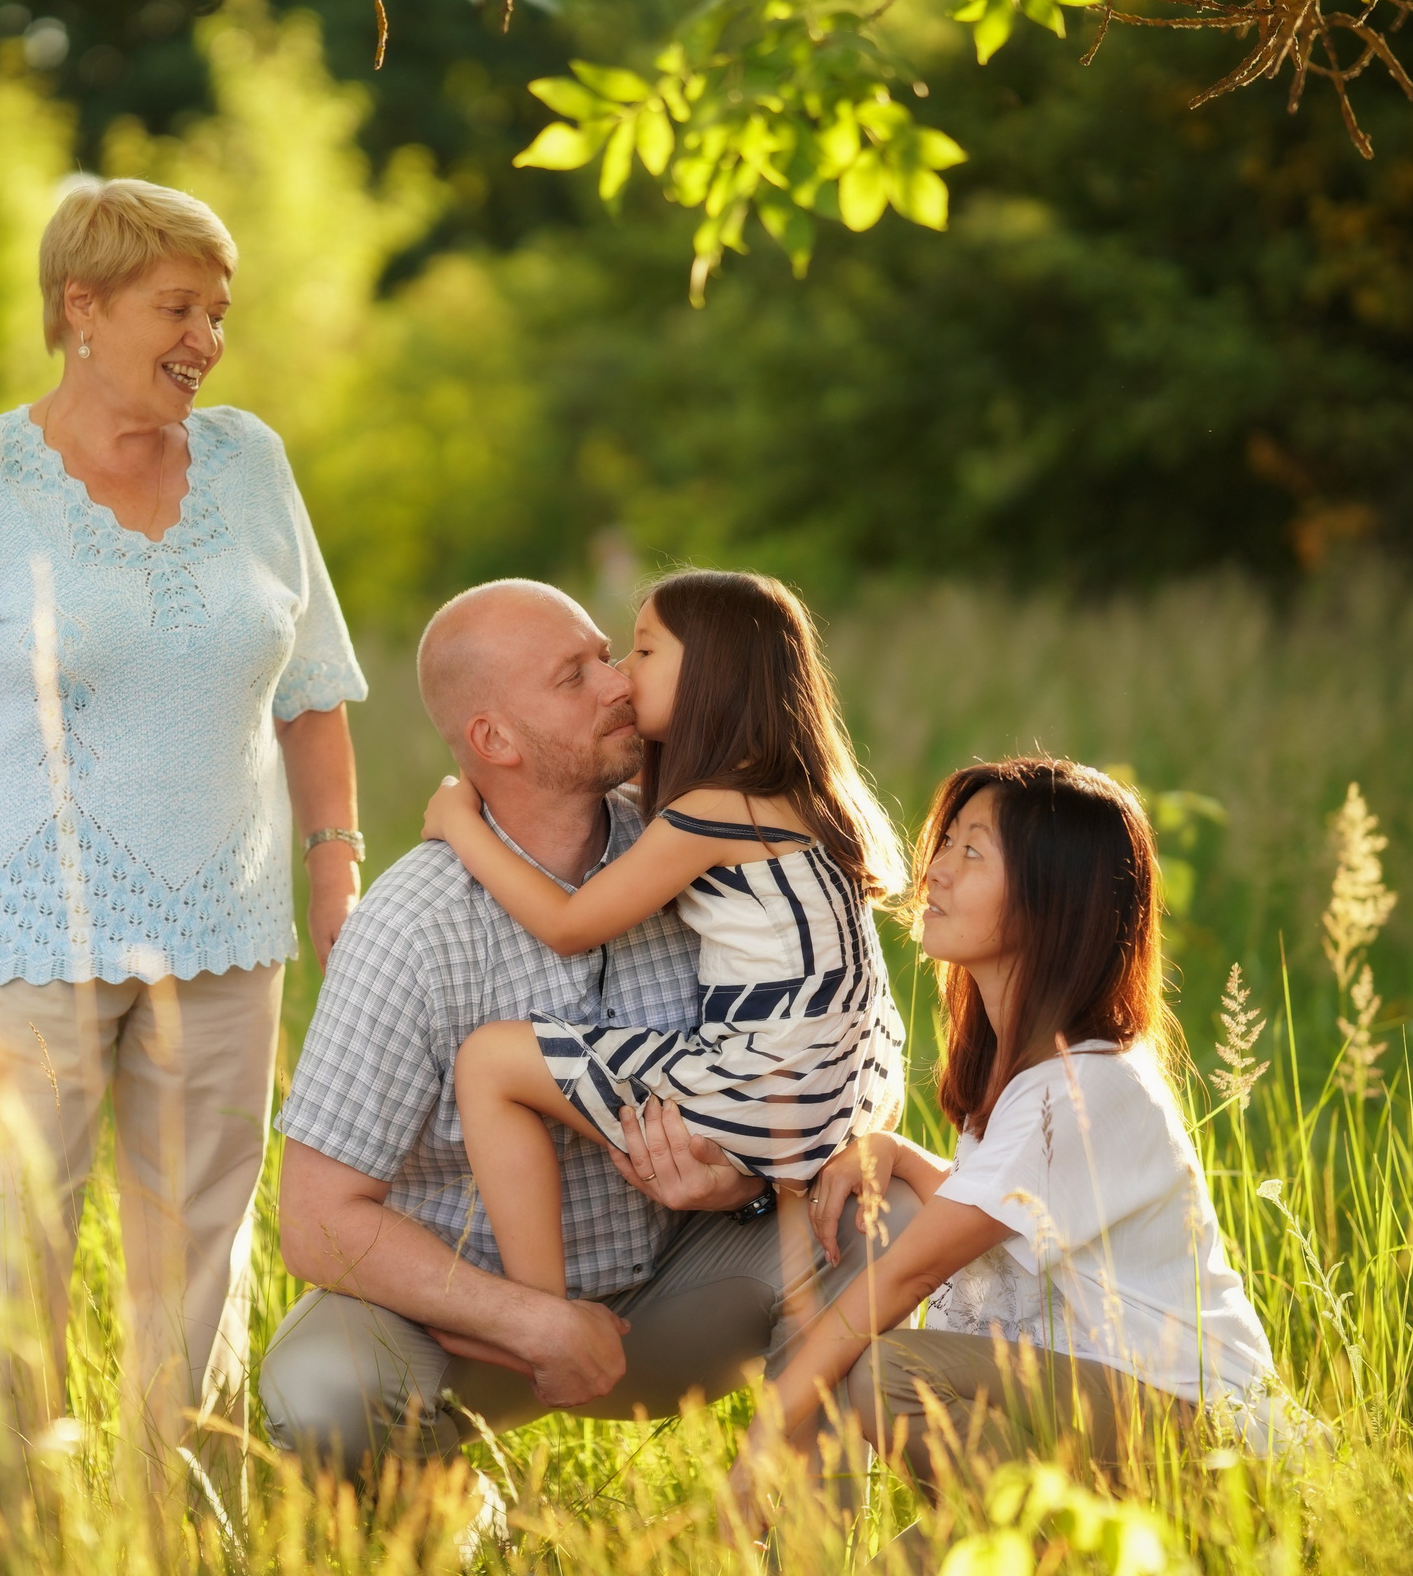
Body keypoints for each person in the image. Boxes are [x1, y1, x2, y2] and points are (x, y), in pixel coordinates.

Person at [0, 176, 368, 1523]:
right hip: (26, 939)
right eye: (176, 307)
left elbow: (314, 688)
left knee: (201, 1257)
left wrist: (334, 873)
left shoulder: (249, 462)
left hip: (230, 934)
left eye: (218, 312)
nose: (207, 338)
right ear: (82, 306)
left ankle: (177, 1530)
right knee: (16, 1255)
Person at [259, 579, 921, 1471]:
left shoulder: (685, 845)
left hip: (676, 1292)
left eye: (614, 654)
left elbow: (828, 1031)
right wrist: (531, 1318)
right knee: (325, 1393)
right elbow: (313, 1220)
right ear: (492, 738)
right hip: (479, 1331)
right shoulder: (412, 922)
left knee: (889, 1213)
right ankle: (447, 1514)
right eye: (575, 676)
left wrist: (744, 1179)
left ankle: (806, 1546)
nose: (616, 682)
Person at [729, 757, 1291, 1527]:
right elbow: (1016, 1221)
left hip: (1201, 1443)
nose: (935, 873)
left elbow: (902, 1277)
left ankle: (1061, 1546)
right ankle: (1023, 1538)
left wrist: (758, 1450)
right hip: (1112, 1427)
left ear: (1050, 901)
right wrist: (902, 1156)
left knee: (888, 1372)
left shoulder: (1080, 1091)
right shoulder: (1026, 1081)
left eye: (972, 852)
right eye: (945, 842)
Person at [421, 569, 909, 1299]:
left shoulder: (714, 810)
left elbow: (567, 924)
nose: (619, 678)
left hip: (764, 1087)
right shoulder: (798, 795)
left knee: (491, 1061)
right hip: (843, 1091)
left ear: (710, 675)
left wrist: (462, 825)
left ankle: (540, 1307)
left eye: (642, 652)